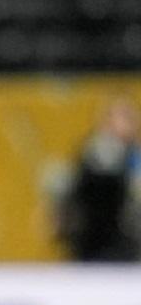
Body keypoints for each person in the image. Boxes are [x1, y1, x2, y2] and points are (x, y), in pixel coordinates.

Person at [53, 94, 141, 262]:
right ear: (106, 122)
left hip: (130, 248)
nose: (130, 123)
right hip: (98, 248)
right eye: (123, 116)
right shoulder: (97, 155)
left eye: (132, 117)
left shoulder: (134, 155)